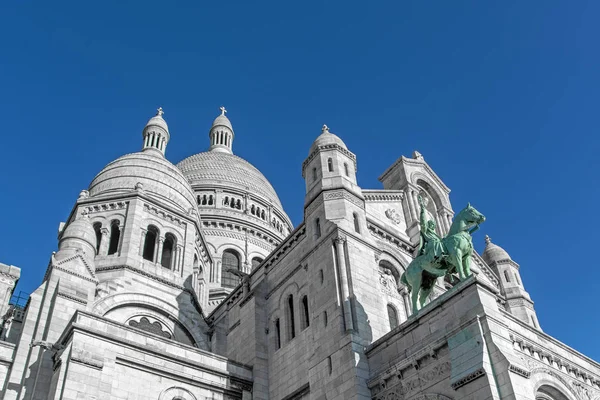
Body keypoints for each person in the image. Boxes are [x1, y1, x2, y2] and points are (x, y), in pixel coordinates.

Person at [417, 195, 446, 276]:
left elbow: (434, 222)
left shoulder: (430, 213)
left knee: (438, 241)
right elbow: (423, 222)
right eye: (424, 200)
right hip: (426, 231)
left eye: (426, 201)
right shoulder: (419, 209)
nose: (425, 202)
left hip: (433, 233)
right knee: (434, 242)